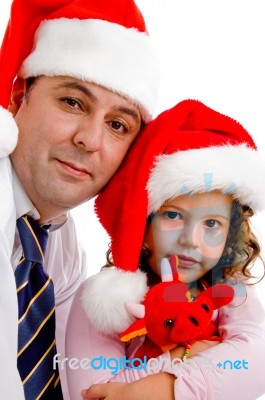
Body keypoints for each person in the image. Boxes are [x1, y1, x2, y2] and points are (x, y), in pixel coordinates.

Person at [0, 0, 159, 399]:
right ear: (19, 98)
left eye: (118, 125)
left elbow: (79, 377)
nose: (89, 140)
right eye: (73, 102)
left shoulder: (60, 247)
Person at [66, 99, 265, 400]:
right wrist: (189, 354)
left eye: (212, 224)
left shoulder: (230, 293)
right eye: (173, 215)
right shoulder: (101, 304)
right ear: (143, 225)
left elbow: (257, 363)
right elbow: (95, 393)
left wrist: (158, 388)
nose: (191, 240)